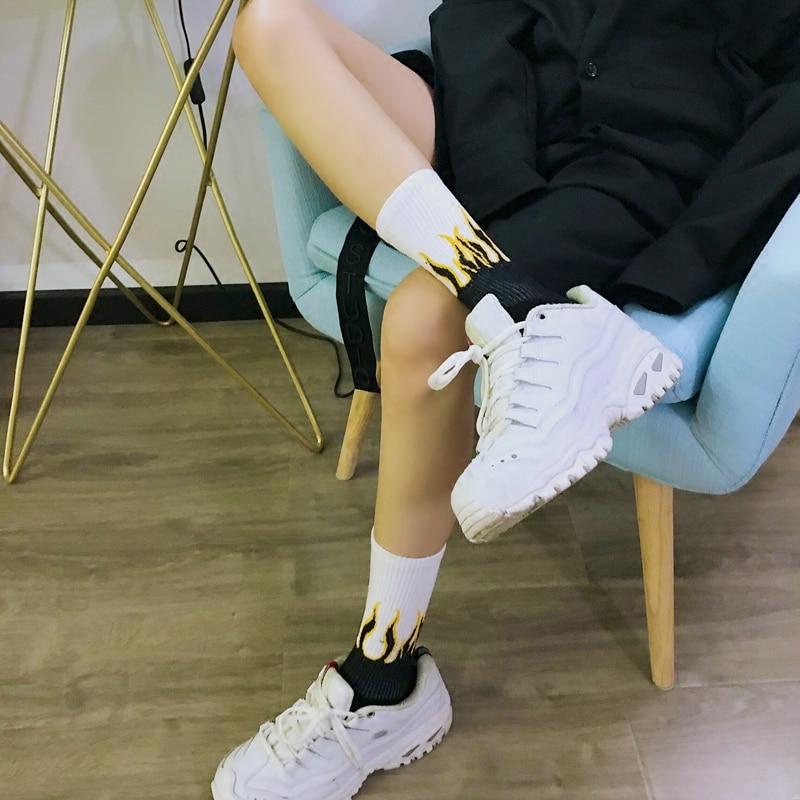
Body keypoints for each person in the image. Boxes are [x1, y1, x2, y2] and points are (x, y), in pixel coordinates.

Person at [212, 1, 800, 798]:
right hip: (497, 111)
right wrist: (491, 160)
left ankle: (385, 681)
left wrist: (676, 271)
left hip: (632, 165)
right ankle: (506, 294)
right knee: (271, 23)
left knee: (422, 315)